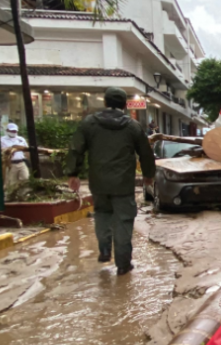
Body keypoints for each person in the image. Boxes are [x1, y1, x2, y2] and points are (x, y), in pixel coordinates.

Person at [65, 87, 156, 276]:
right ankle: (123, 264)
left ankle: (105, 250)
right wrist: (149, 175)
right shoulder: (133, 126)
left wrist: (72, 173)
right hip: (123, 184)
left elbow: (76, 149)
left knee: (102, 215)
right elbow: (146, 153)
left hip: (98, 183)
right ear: (125, 104)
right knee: (123, 220)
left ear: (105, 103)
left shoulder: (89, 124)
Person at [0, 122, 29, 189]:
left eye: (15, 131)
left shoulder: (21, 139)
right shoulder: (2, 140)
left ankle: (22, 195)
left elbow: (26, 150)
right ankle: (10, 196)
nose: (13, 132)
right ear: (7, 130)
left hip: (21, 162)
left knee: (25, 178)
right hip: (10, 164)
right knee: (11, 182)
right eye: (12, 130)